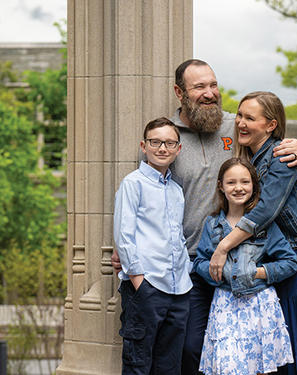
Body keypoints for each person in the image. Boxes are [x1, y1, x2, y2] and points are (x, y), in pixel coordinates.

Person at [111, 59, 297, 374]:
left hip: (238, 257)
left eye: (213, 85)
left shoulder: (235, 126)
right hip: (186, 265)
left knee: (247, 351)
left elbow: (271, 143)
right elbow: (145, 195)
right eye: (199, 87)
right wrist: (125, 246)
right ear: (179, 92)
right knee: (191, 349)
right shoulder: (166, 140)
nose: (210, 94)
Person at [209, 91, 297, 374]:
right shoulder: (247, 158)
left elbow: (265, 212)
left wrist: (222, 248)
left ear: (271, 125)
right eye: (239, 115)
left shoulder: (281, 155)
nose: (240, 123)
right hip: (275, 265)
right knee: (281, 356)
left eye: (250, 117)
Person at [194, 158, 297, 375]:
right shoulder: (212, 225)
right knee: (226, 366)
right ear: (221, 186)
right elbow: (200, 262)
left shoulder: (265, 226)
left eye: (245, 182)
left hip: (259, 304)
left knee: (259, 368)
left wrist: (258, 272)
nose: (239, 188)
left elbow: (290, 262)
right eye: (231, 182)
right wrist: (217, 273)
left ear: (254, 186)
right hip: (225, 303)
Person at [113, 117, 192, 374]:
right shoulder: (133, 183)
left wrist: (184, 273)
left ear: (178, 149)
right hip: (146, 289)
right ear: (143, 146)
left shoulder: (176, 190)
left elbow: (177, 236)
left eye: (169, 143)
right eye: (155, 142)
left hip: (178, 290)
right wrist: (139, 283)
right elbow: (124, 237)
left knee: (169, 366)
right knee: (138, 364)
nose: (162, 148)